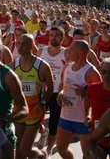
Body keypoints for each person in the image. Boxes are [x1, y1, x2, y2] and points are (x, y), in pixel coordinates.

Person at [8, 34, 53, 159]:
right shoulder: (13, 66)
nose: (20, 46)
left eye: (24, 44)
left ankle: (41, 155)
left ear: (32, 46)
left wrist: (42, 103)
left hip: (35, 111)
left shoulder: (42, 66)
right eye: (18, 43)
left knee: (24, 149)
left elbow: (50, 89)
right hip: (18, 111)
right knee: (18, 151)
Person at [56, 40, 101, 158]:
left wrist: (85, 92)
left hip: (83, 118)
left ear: (80, 53)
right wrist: (61, 93)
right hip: (66, 115)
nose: (68, 51)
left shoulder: (91, 72)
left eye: (71, 49)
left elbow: (99, 96)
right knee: (60, 148)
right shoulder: (67, 67)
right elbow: (63, 84)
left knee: (86, 153)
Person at [36, 26, 67, 155]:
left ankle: (48, 150)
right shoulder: (41, 52)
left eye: (56, 35)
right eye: (51, 35)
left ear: (62, 38)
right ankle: (43, 131)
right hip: (43, 91)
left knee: (54, 124)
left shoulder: (66, 53)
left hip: (57, 93)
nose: (53, 37)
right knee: (34, 119)